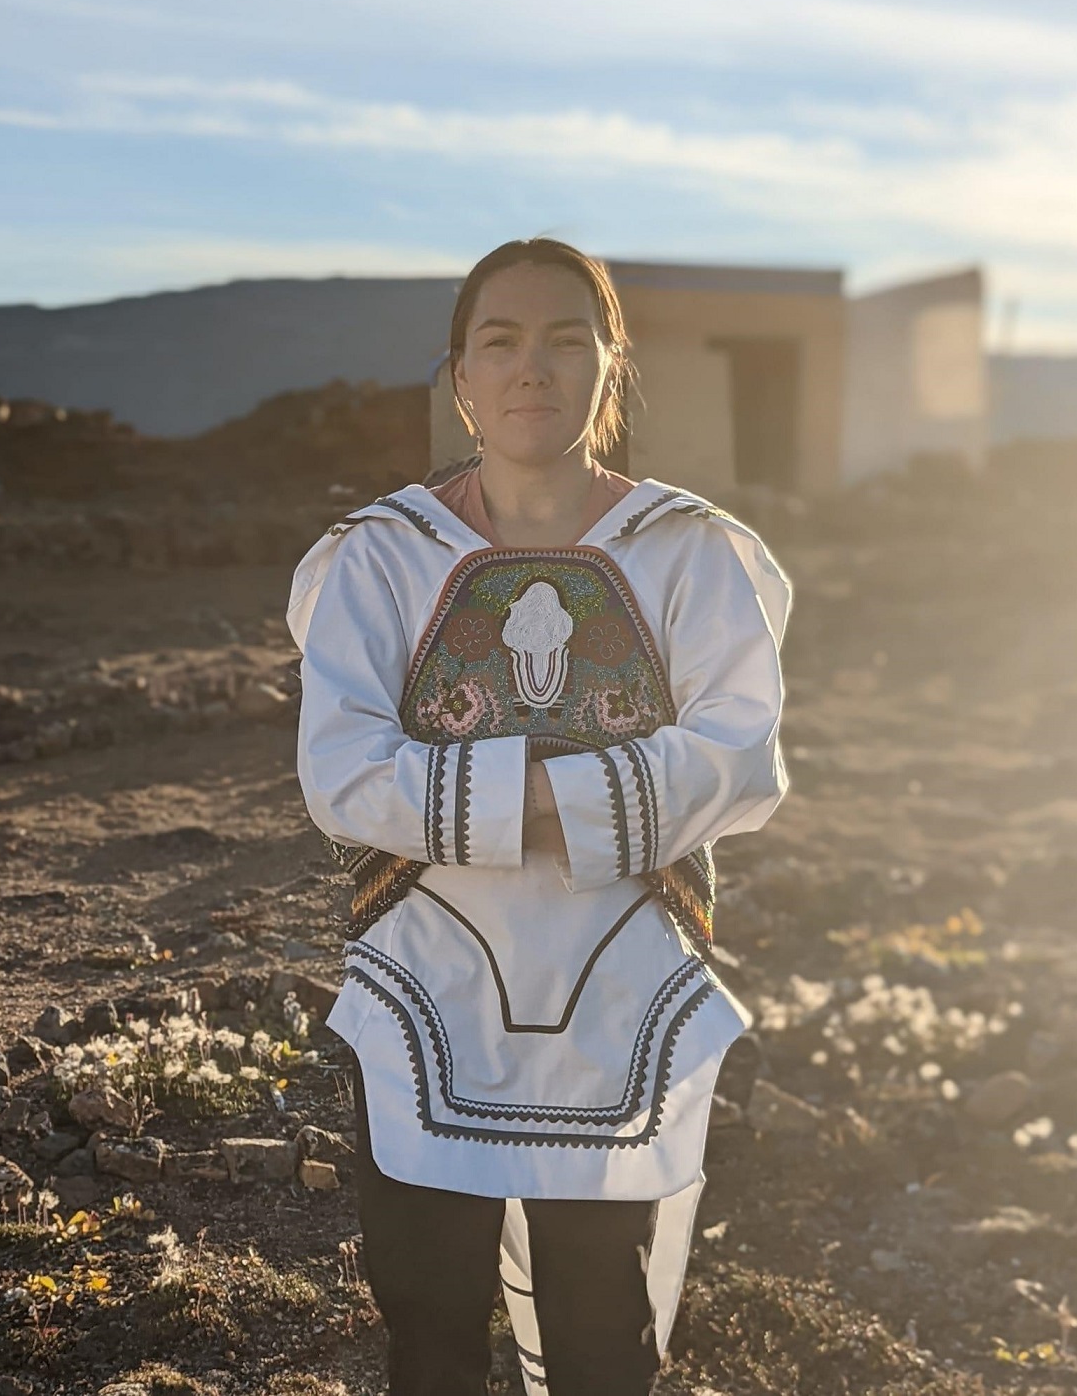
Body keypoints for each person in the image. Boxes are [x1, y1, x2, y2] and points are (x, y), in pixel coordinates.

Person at [286, 238, 791, 1396]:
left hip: (622, 986)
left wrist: (483, 794)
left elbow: (740, 755)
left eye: (569, 339)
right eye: (500, 342)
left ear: (612, 367)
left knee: (602, 1335)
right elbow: (342, 774)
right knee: (428, 1330)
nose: (534, 369)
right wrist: (586, 793)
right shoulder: (380, 557)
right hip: (424, 984)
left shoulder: (688, 550)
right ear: (458, 377)